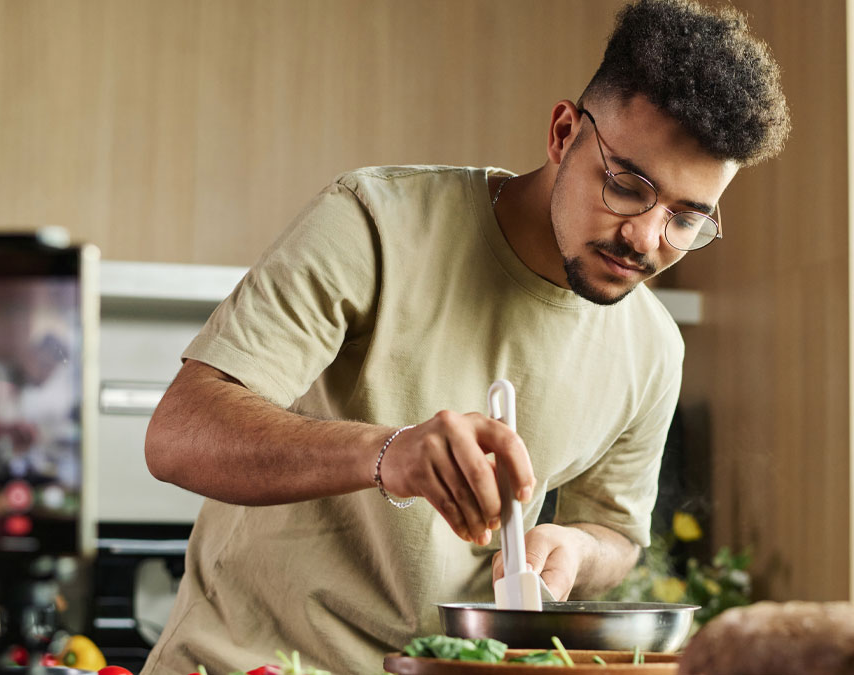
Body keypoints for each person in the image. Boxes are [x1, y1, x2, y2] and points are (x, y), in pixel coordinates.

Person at [141, 1, 789, 673]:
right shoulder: (377, 223)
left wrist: (572, 547)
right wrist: (388, 452)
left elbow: (616, 534)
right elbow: (179, 433)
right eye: (627, 185)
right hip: (244, 660)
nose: (647, 239)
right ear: (564, 133)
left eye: (686, 218)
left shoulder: (653, 349)